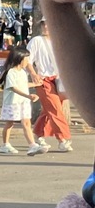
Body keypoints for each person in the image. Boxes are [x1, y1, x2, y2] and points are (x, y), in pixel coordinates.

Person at [25, 19, 72, 152]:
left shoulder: (60, 41)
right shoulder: (36, 41)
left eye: (48, 23)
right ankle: (63, 139)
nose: (46, 26)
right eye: (43, 24)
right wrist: (34, 74)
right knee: (54, 109)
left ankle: (38, 134)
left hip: (60, 80)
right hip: (44, 80)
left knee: (48, 110)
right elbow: (27, 60)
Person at [0, 46, 46, 156]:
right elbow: (14, 88)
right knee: (9, 123)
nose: (28, 61)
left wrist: (35, 84)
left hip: (24, 102)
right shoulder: (11, 72)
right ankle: (5, 144)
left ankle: (32, 145)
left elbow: (23, 85)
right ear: (19, 58)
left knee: (26, 123)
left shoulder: (22, 72)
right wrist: (28, 96)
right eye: (26, 58)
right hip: (13, 103)